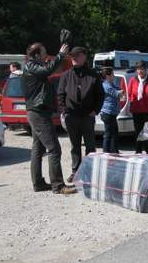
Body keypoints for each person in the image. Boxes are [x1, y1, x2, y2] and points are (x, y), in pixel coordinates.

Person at [23, 41, 75, 194]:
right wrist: (60, 55)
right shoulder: (31, 66)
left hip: (37, 112)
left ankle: (38, 183)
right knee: (54, 148)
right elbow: (47, 71)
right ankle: (58, 185)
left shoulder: (32, 66)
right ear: (36, 55)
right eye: (44, 53)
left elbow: (47, 70)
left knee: (38, 149)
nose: (46, 55)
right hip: (39, 113)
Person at [57, 46, 104, 182]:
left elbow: (100, 95)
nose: (74, 58)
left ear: (84, 57)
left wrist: (96, 110)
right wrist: (64, 111)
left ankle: (90, 172)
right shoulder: (66, 75)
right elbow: (60, 94)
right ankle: (76, 172)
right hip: (71, 116)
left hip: (87, 116)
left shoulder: (93, 75)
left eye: (77, 55)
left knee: (90, 146)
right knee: (75, 146)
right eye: (72, 56)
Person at [128, 61, 148, 154]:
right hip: (136, 110)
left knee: (147, 132)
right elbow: (129, 93)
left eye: (142, 69)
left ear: (146, 70)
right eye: (138, 69)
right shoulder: (132, 80)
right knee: (138, 132)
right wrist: (133, 100)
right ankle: (138, 151)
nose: (140, 71)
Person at [100, 67, 124, 153]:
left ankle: (114, 151)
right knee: (108, 134)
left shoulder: (111, 84)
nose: (114, 76)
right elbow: (116, 94)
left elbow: (118, 88)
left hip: (112, 113)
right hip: (108, 113)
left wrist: (121, 90)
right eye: (112, 74)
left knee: (114, 133)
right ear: (107, 76)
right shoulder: (106, 86)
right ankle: (106, 152)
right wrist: (122, 92)